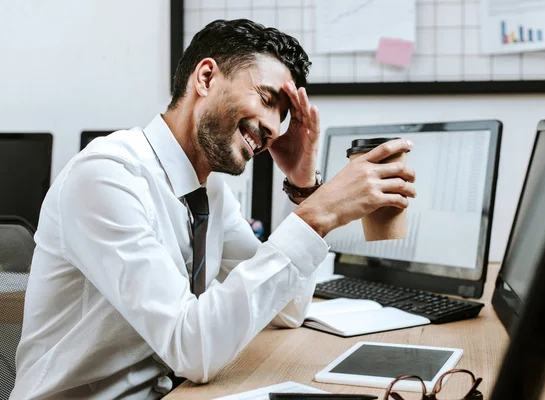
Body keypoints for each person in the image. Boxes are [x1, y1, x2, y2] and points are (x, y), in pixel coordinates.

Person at [10, 19, 416, 399]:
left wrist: (306, 187)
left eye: (283, 116)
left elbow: (288, 309)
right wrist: (318, 216)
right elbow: (193, 349)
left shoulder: (211, 192)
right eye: (267, 99)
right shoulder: (107, 177)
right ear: (205, 77)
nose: (275, 128)